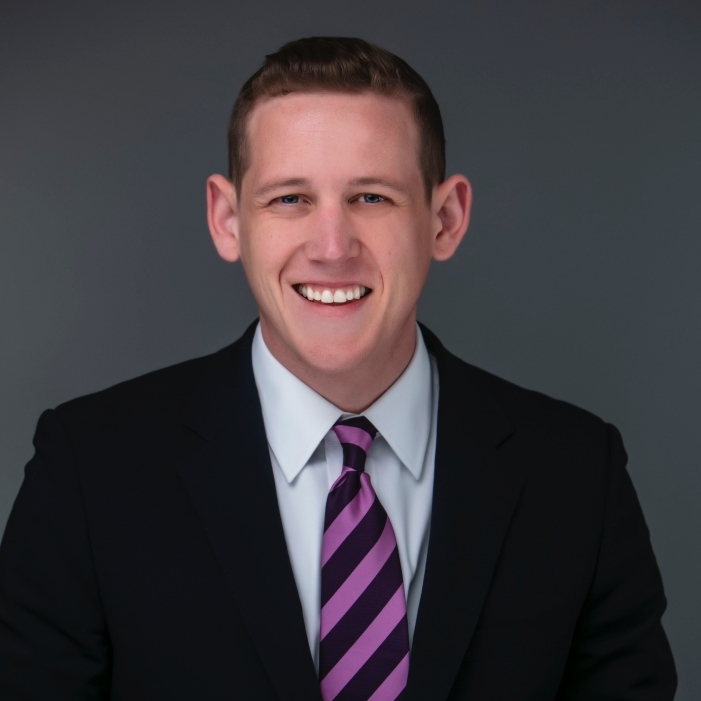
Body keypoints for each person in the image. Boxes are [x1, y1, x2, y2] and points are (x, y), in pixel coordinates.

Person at [0, 36, 676, 701]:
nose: (332, 247)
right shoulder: (90, 471)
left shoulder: (576, 476)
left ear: (444, 219)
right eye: (289, 198)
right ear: (228, 219)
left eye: (371, 197)